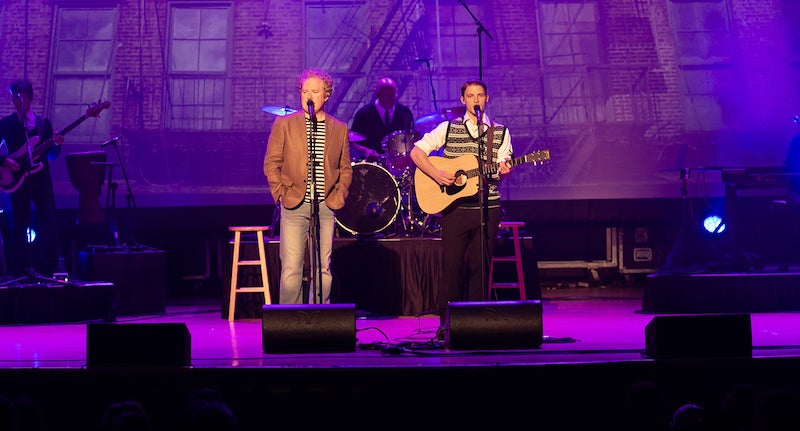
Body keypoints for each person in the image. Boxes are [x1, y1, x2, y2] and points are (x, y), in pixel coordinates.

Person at [409, 79, 512, 335]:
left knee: (481, 266)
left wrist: (504, 170)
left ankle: (476, 322)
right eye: (470, 95)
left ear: (487, 98)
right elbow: (416, 152)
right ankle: (446, 324)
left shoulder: (499, 132)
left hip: (487, 208)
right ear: (462, 100)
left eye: (480, 95)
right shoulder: (447, 128)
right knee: (452, 266)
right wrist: (435, 173)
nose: (476, 99)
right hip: (455, 209)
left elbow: (501, 170)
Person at [264, 68, 353, 304]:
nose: (309, 96)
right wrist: (280, 194)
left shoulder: (339, 128)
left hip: (325, 205)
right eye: (305, 91)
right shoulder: (285, 124)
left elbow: (345, 168)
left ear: (326, 95)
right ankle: (288, 323)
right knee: (292, 268)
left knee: (322, 267)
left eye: (315, 91)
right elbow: (271, 163)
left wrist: (339, 193)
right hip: (294, 203)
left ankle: (320, 320)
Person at [0, 79, 63, 278]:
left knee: (48, 222)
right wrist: (4, 161)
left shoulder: (43, 124)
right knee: (20, 223)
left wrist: (56, 144)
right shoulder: (6, 124)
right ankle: (22, 269)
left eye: (21, 98)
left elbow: (51, 155)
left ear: (30, 97)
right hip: (17, 180)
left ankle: (50, 268)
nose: (17, 102)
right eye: (14, 98)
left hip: (41, 180)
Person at [350, 77, 414, 162]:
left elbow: (412, 137)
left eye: (393, 95)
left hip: (398, 163)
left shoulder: (405, 112)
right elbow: (353, 141)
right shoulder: (363, 114)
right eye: (387, 96)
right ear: (378, 95)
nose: (391, 99)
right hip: (371, 163)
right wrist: (366, 151)